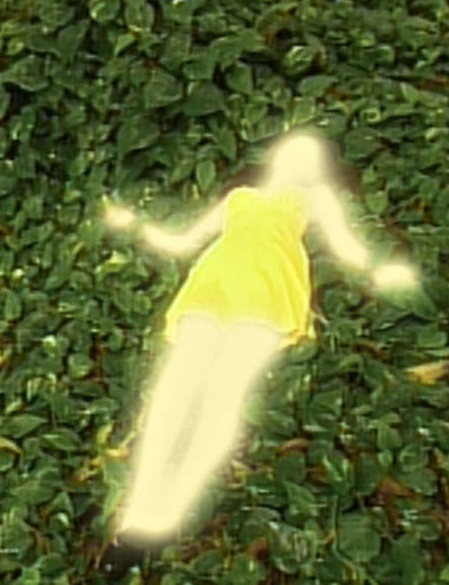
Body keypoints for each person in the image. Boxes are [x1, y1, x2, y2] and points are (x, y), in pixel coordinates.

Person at [98, 128, 418, 577]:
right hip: (213, 284)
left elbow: (347, 247)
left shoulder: (315, 198)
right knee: (173, 393)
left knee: (222, 395)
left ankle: (163, 518)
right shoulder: (239, 196)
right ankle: (138, 510)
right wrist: (134, 225)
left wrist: (381, 271)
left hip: (269, 289)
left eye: (309, 157)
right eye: (292, 150)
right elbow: (183, 241)